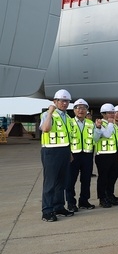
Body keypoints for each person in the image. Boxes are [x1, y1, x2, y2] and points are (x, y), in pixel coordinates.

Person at [40, 89, 75, 221]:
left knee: (62, 181)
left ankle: (58, 206)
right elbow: (45, 129)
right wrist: (50, 112)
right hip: (51, 151)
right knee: (50, 182)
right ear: (55, 101)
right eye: (62, 101)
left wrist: (69, 152)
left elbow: (68, 136)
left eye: (67, 101)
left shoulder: (68, 118)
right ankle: (47, 210)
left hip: (64, 150)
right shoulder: (48, 115)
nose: (65, 103)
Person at [67, 98, 95, 211]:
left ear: (87, 111)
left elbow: (95, 138)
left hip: (87, 155)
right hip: (73, 155)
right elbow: (66, 138)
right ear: (74, 110)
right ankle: (71, 203)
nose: (81, 110)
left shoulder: (90, 123)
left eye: (84, 108)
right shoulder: (69, 122)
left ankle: (84, 201)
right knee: (70, 180)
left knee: (86, 179)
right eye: (78, 108)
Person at [94, 103, 118, 208]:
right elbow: (106, 134)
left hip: (114, 154)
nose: (111, 114)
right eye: (109, 113)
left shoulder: (114, 125)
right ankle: (102, 198)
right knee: (103, 178)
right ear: (103, 114)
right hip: (103, 155)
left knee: (112, 177)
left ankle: (110, 195)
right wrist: (110, 124)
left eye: (112, 112)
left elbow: (117, 140)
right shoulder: (100, 124)